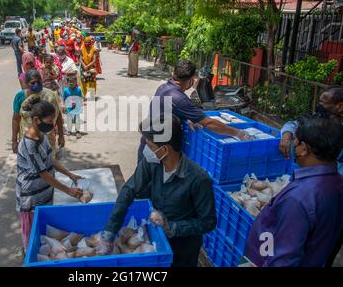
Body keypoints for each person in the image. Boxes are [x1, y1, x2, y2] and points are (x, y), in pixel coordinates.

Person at [96, 114, 217, 266]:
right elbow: (129, 190)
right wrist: (109, 233)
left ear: (164, 149)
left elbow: (208, 222)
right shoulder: (152, 162)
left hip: (183, 249)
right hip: (156, 240)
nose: (146, 150)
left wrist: (172, 227)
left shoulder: (199, 179)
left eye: (150, 146)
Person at [245, 114, 343, 267]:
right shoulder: (336, 181)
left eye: (295, 141)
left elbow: (283, 259)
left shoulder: (298, 199)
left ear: (304, 148)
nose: (292, 145)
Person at [137, 60, 251, 161]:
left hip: (149, 144)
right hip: (156, 152)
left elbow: (169, 111)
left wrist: (187, 118)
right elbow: (209, 123)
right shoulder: (179, 98)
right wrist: (238, 132)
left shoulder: (164, 88)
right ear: (191, 79)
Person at [16, 99, 83, 253]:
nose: (52, 124)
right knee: (31, 237)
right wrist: (69, 190)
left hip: (44, 193)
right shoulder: (29, 144)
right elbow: (44, 174)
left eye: (53, 120)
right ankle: (28, 256)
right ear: (36, 120)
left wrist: (70, 174)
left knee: (43, 234)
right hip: (31, 198)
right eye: (49, 121)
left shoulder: (42, 135)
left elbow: (50, 159)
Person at [279, 86, 343, 176]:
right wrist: (286, 135)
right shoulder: (321, 118)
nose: (319, 106)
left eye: (322, 102)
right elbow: (294, 124)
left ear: (340, 106)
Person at [17, 70, 65, 157]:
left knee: (49, 162)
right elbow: (15, 119)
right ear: (27, 83)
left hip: (48, 137)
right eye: (32, 83)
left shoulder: (51, 95)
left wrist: (61, 136)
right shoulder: (20, 97)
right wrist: (14, 141)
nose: (36, 84)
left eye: (38, 81)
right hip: (29, 138)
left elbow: (58, 116)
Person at [62, 74, 83, 139]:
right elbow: (63, 98)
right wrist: (64, 106)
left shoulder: (79, 90)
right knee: (69, 119)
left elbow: (81, 98)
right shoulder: (65, 90)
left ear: (76, 82)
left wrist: (81, 105)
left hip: (77, 107)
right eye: (69, 81)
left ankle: (77, 131)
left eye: (73, 81)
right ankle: (69, 130)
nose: (71, 83)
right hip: (69, 107)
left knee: (77, 119)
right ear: (67, 82)